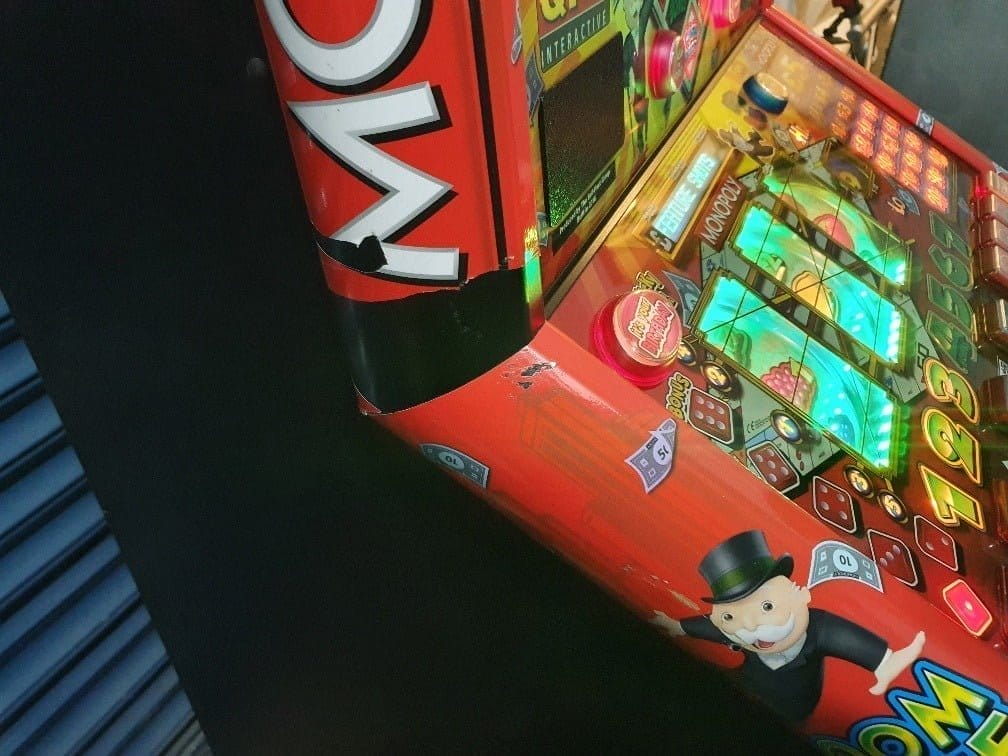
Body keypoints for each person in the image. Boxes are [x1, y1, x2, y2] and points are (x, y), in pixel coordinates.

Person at [651, 529, 925, 721]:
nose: (751, 626)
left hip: (794, 708)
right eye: (731, 618)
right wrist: (678, 626)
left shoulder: (819, 629)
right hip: (744, 688)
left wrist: (884, 663)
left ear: (801, 594)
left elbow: (848, 640)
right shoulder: (734, 632)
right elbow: (714, 629)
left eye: (767, 607)